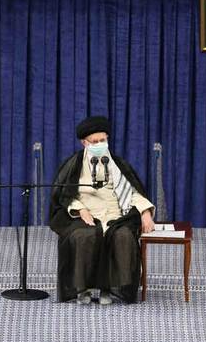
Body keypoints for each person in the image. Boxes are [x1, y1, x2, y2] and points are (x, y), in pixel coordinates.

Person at [49, 116, 155, 305]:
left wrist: (145, 212)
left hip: (115, 215)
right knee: (84, 235)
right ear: (84, 143)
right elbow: (65, 195)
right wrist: (80, 210)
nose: (99, 144)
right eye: (94, 141)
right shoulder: (73, 164)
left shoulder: (117, 164)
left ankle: (112, 288)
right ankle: (82, 289)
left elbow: (132, 192)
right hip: (84, 215)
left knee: (122, 236)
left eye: (103, 140)